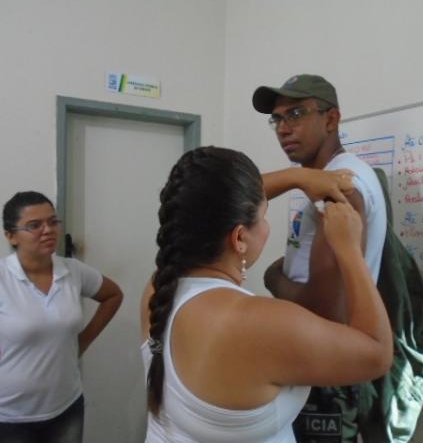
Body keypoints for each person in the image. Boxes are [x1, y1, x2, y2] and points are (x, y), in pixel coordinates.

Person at [140, 146, 392, 443]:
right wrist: (349, 250)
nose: (266, 224)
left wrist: (298, 177)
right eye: (263, 216)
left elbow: (214, 202)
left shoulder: (159, 288)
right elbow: (377, 352)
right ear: (239, 238)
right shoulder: (257, 322)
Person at [253, 74, 388, 442]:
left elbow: (328, 307)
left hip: (327, 365)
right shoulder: (321, 179)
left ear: (331, 120)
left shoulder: (341, 187)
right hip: (321, 357)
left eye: (295, 114)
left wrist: (274, 279)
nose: (283, 128)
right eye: (277, 119)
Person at [0, 191, 123, 443]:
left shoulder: (73, 272)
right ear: (11, 236)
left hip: (66, 407)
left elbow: (113, 295)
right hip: (5, 418)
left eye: (53, 222)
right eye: (34, 225)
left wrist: (82, 342)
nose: (48, 230)